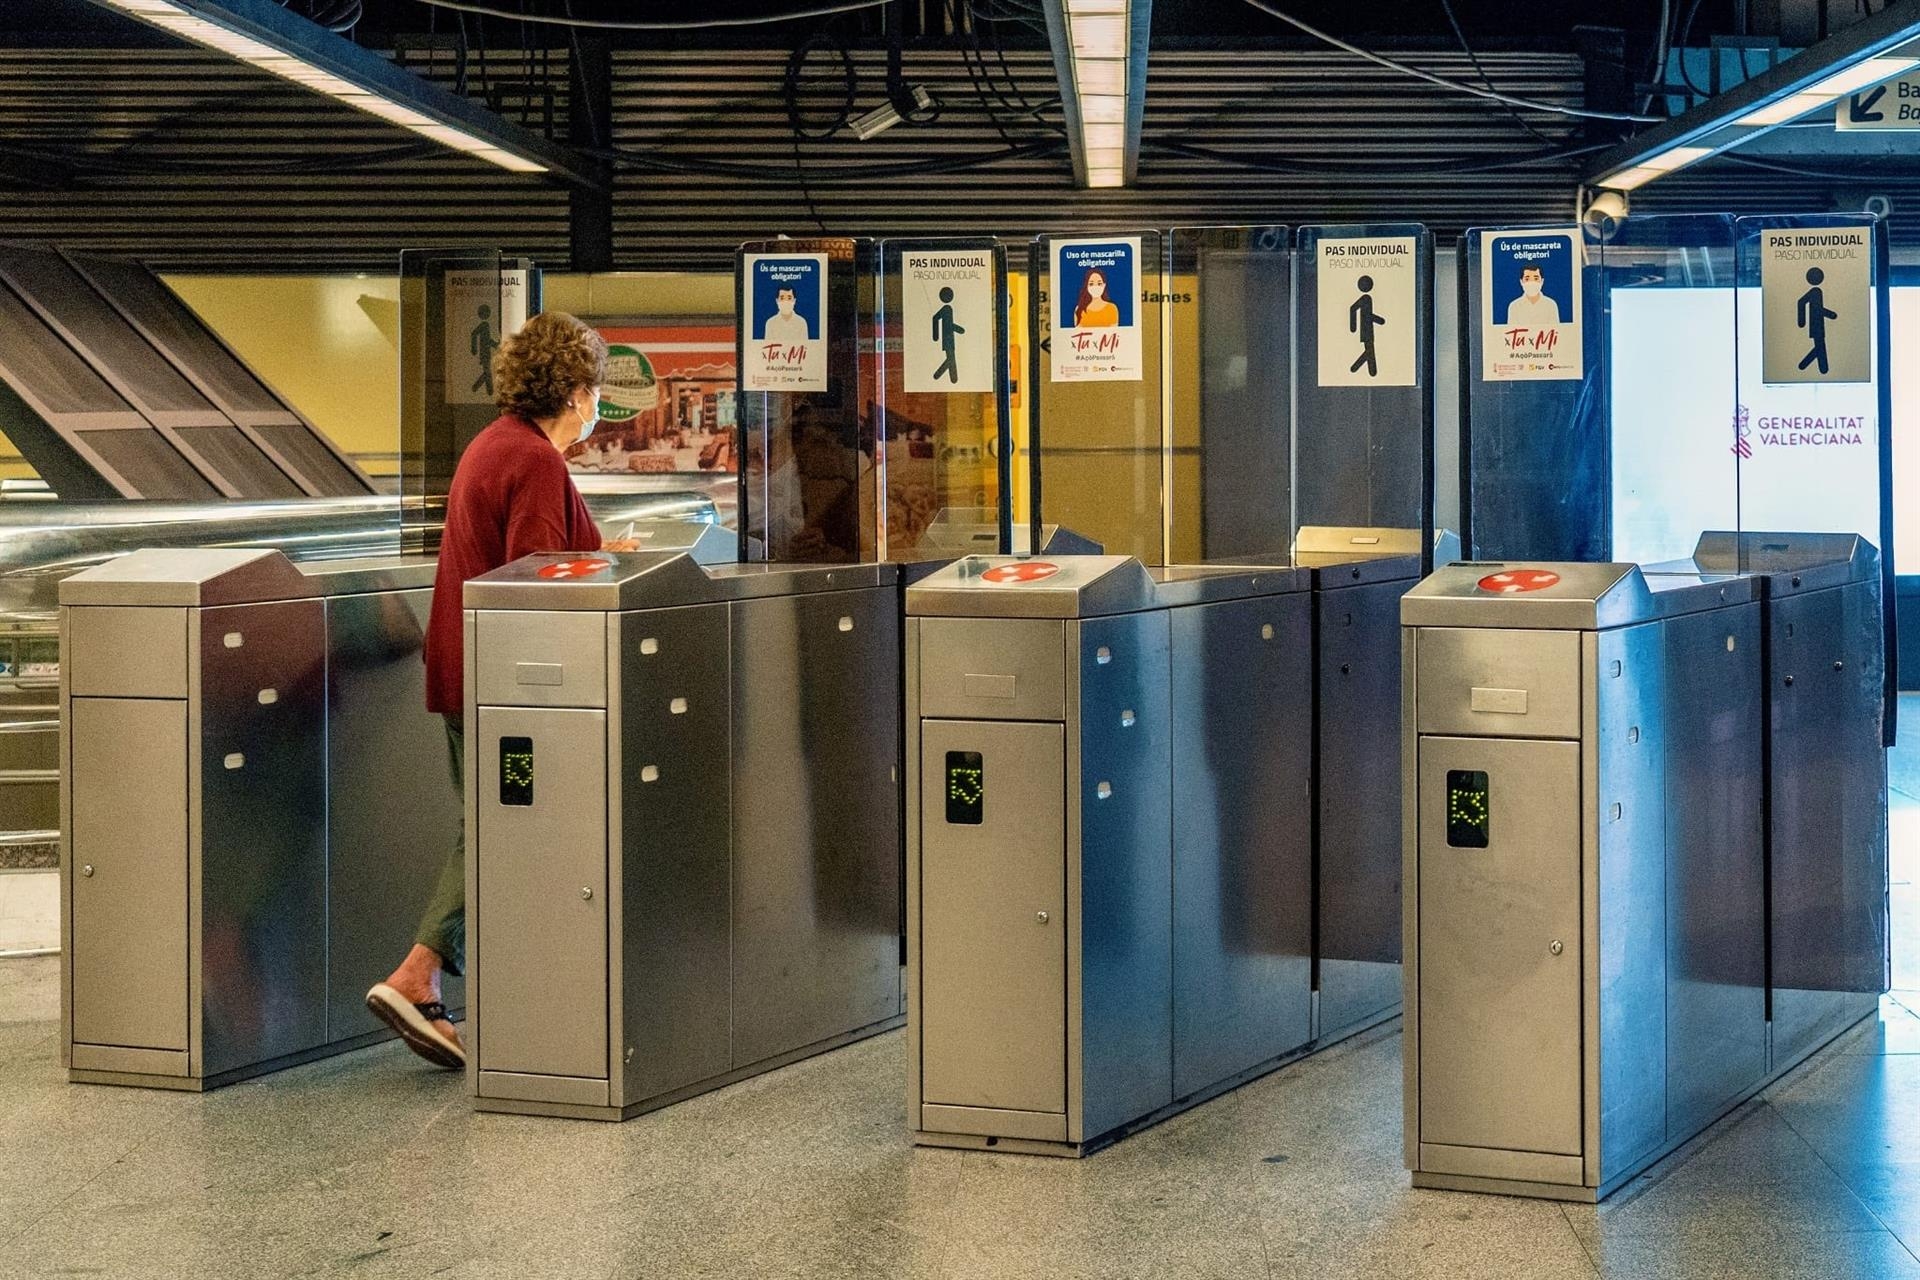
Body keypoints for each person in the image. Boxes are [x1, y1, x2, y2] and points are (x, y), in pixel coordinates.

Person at [365, 310, 638, 1069]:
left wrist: (592, 552)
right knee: (495, 825)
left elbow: (532, 555)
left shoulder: (495, 446)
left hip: (466, 673)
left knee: (491, 821)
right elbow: (534, 581)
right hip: (511, 686)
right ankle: (419, 976)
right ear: (577, 390)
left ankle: (460, 989)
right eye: (593, 393)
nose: (594, 409)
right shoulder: (536, 461)